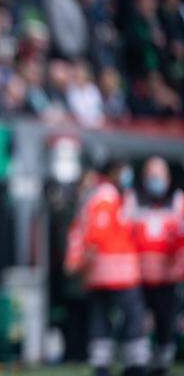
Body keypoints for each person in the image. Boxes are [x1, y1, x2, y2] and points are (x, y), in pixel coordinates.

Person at [65, 160, 149, 376]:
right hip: (117, 273)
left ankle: (103, 364)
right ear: (112, 173)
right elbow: (96, 236)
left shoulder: (109, 196)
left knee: (101, 319)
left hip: (100, 274)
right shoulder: (105, 197)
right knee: (130, 317)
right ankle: (133, 364)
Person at [131, 157, 183, 376]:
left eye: (159, 174)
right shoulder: (134, 202)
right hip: (138, 277)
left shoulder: (178, 202)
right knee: (138, 324)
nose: (155, 179)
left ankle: (162, 365)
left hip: (168, 278)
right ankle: (138, 364)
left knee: (165, 324)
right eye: (151, 174)